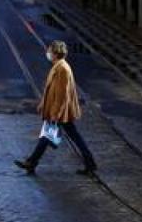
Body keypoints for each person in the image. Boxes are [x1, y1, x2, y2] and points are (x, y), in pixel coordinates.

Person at [15, 41, 97, 176]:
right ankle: (90, 163)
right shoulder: (58, 66)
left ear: (55, 53)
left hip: (60, 111)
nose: (47, 53)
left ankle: (31, 162)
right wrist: (43, 103)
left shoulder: (62, 69)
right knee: (62, 136)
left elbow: (61, 95)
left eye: (49, 51)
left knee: (47, 136)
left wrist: (55, 113)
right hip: (59, 111)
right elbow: (51, 90)